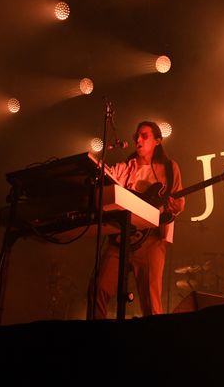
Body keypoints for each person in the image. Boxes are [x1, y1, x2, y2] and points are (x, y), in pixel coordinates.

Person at [91, 121, 185, 319]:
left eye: (144, 135)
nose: (138, 139)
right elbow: (105, 178)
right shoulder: (125, 167)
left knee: (150, 302)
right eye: (136, 136)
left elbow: (179, 203)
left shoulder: (169, 167)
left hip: (151, 241)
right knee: (97, 289)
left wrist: (175, 206)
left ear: (157, 141)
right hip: (121, 238)